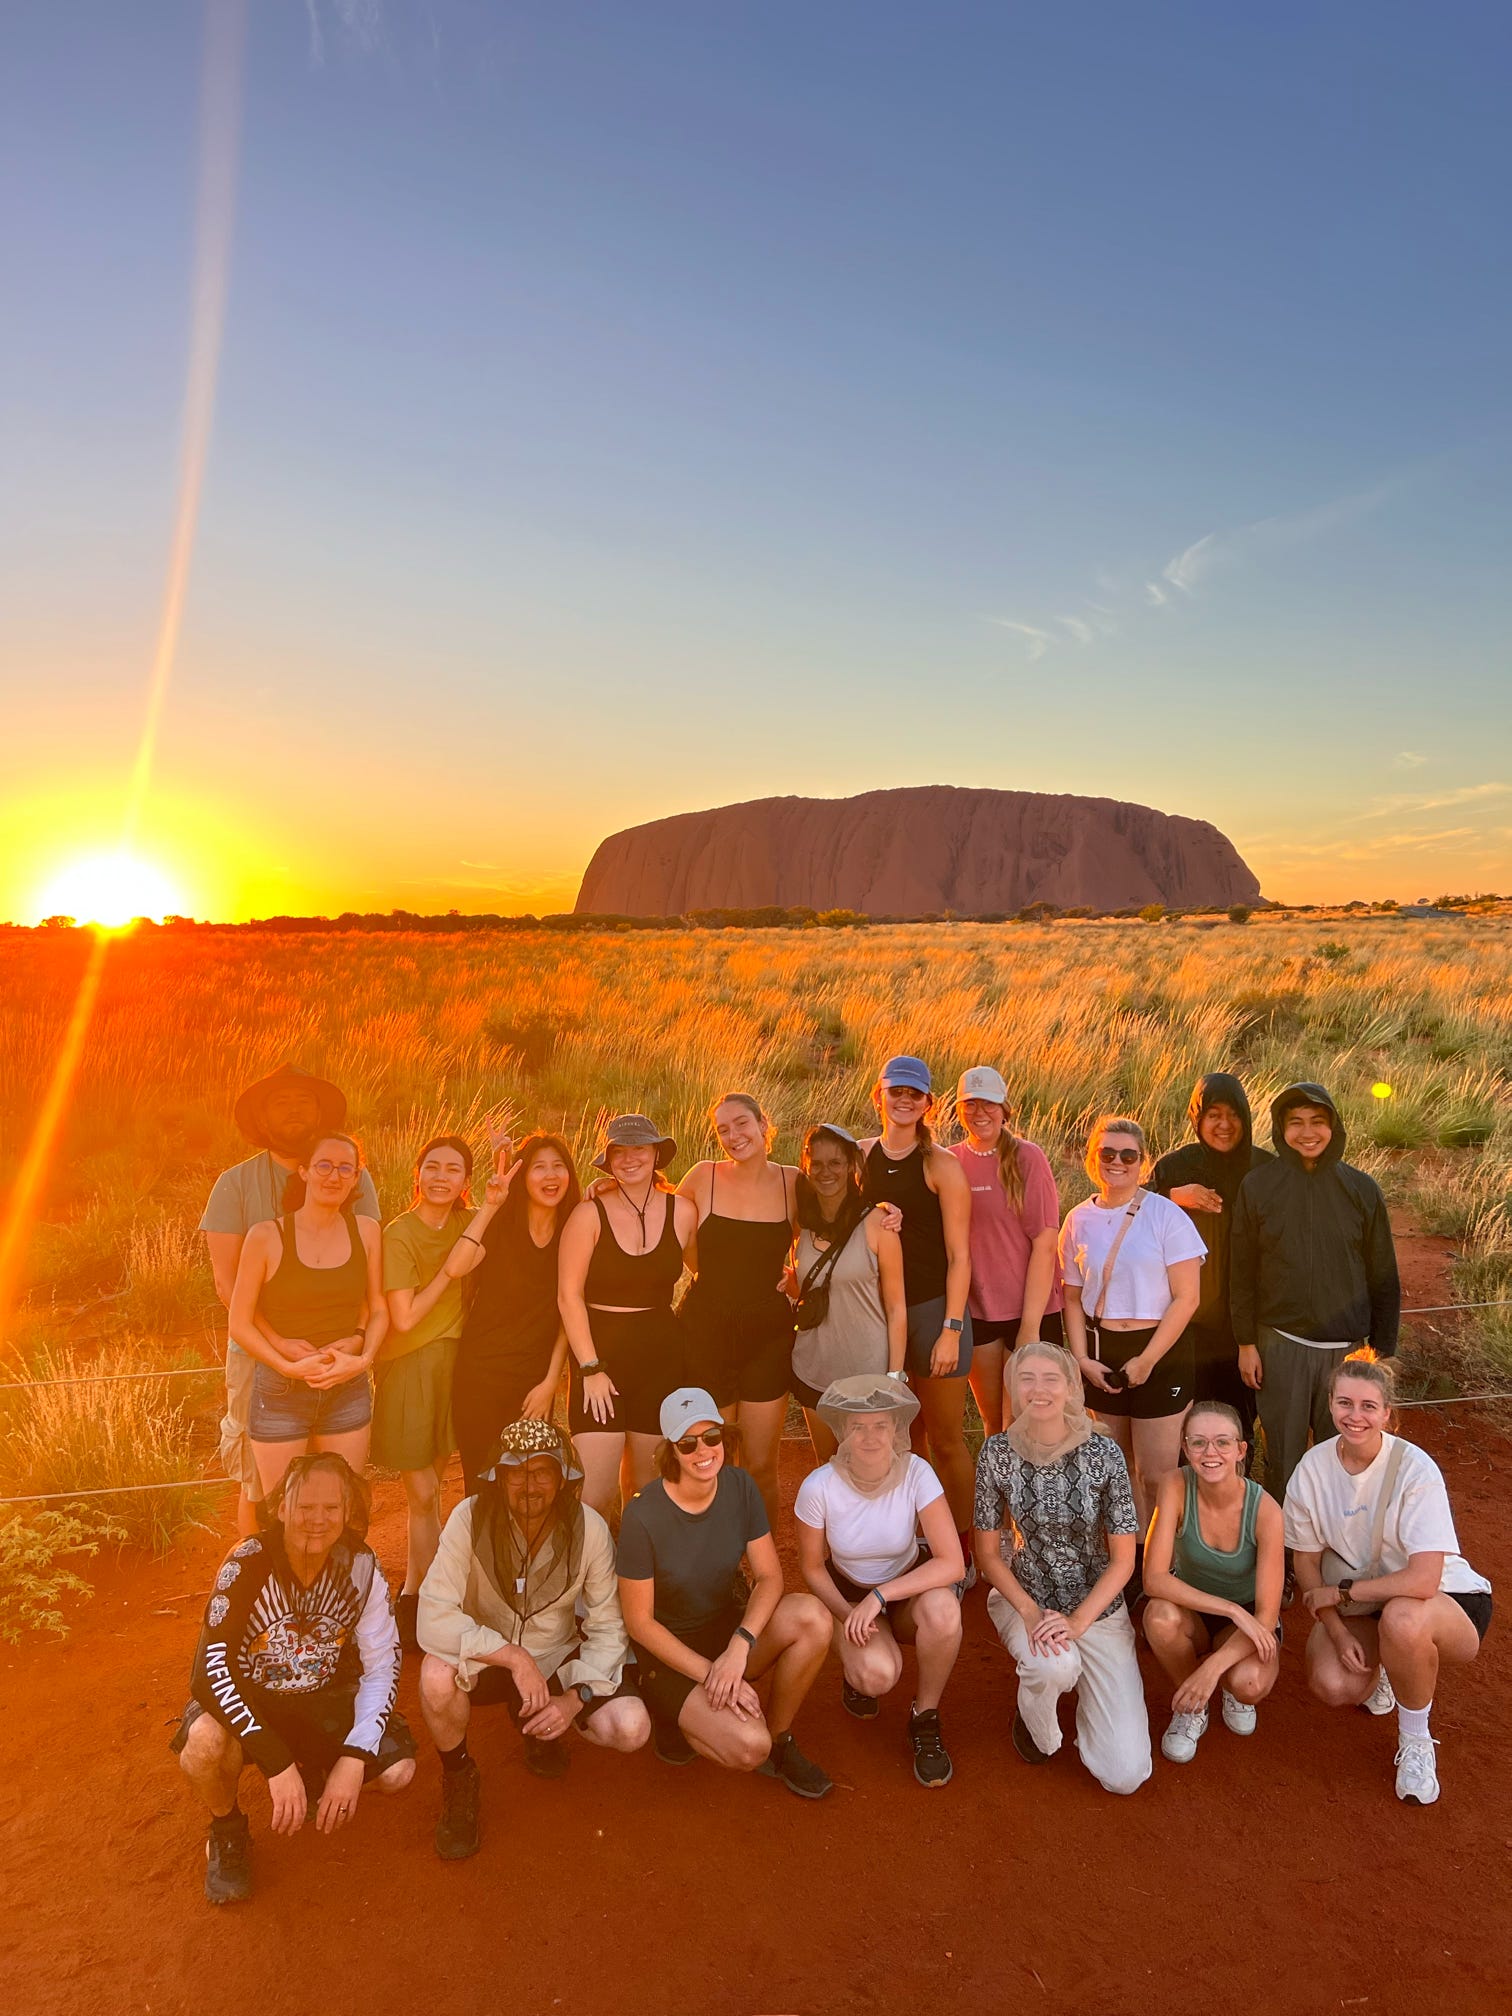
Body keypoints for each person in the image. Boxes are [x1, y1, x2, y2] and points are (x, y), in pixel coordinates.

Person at [170, 1453, 415, 1904]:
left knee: (398, 1771)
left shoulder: (362, 1567)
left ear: (347, 1512)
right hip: (254, 1701)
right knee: (204, 1744)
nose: (317, 1520)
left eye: (331, 1508)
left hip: (324, 1702)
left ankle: (321, 1776)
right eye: (305, 1506)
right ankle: (228, 1828)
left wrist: (355, 1756)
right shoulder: (246, 1564)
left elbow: (383, 1666)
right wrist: (276, 1762)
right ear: (281, 1506)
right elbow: (210, 1672)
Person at [417, 1417, 650, 1859]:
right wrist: (512, 1656)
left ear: (563, 1478)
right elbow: (432, 1614)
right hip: (487, 1656)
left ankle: (539, 1724)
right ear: (499, 1477)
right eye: (518, 1471)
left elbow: (609, 1627)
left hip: (556, 1657)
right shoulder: (468, 1518)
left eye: (543, 1470)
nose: (531, 1483)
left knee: (631, 1727)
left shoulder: (590, 1530)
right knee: (435, 1677)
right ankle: (460, 1776)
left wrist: (574, 1698)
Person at [1286, 1356, 1492, 1807]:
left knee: (1403, 1618)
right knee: (1333, 1683)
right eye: (1344, 1403)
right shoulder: (1312, 1468)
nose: (1354, 1416)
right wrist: (1337, 1631)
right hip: (1369, 1603)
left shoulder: (1416, 1469)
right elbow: (1305, 1562)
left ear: (1387, 1415)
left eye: (1367, 1406)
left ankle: (1416, 1742)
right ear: (1331, 1405)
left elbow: (1422, 1580)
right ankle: (1388, 1670)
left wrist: (1343, 1594)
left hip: (1447, 1598)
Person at [617, 1387, 833, 1797]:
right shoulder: (642, 1515)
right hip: (670, 1654)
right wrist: (712, 1673)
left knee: (813, 1617)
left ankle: (780, 1739)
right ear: (670, 1451)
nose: (703, 1451)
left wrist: (739, 1646)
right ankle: (673, 1714)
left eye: (711, 1437)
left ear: (724, 1436)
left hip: (727, 1632)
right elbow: (639, 1623)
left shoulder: (739, 1486)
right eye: (688, 1442)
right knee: (749, 1747)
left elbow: (770, 1577)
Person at [199, 1064, 380, 1536]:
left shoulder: (357, 1182)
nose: (294, 1110)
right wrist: (281, 1347)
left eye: (304, 1101)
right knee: (259, 1483)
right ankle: (258, 1585)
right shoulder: (234, 1184)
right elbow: (228, 1286)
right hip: (260, 1356)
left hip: (338, 1354)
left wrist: (356, 1343)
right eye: (281, 1101)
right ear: (262, 1117)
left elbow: (365, 1275)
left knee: (340, 1485)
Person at [973, 1341, 1151, 1796]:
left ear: (1072, 1387)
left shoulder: (1105, 1454)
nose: (1038, 1389)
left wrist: (1076, 1621)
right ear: (1012, 1387)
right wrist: (1033, 1614)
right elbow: (989, 1556)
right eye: (1025, 1379)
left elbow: (1124, 1558)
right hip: (1027, 1598)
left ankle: (1066, 1674)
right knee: (1053, 1668)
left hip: (1099, 1610)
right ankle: (1036, 1720)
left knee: (1125, 1775)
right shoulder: (995, 1453)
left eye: (1051, 1378)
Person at [1231, 1082, 1401, 1506]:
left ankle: (1335, 1550)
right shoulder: (1258, 1186)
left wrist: (1381, 1351)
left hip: (1348, 1352)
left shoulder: (1361, 1189)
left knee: (1347, 1454)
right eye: (1296, 1123)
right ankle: (1282, 1552)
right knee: (1283, 1458)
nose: (1308, 1133)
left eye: (1317, 1122)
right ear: (1280, 1129)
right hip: (1279, 1346)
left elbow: (1383, 1274)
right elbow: (1242, 1272)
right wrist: (1246, 1342)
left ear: (1334, 1127)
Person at [794, 1375, 963, 1787]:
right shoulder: (819, 1486)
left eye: (880, 1425)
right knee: (877, 1675)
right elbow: (813, 1567)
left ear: (897, 1429)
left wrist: (881, 1597)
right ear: (842, 1433)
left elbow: (952, 1563)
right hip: (848, 1596)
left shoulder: (916, 1473)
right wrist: (849, 1612)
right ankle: (856, 1673)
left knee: (944, 1610)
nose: (870, 1437)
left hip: (903, 1590)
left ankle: (925, 1717)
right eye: (858, 1427)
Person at [1060, 1115, 1205, 1528]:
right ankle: (1132, 1563)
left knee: (1157, 1473)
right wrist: (1081, 1360)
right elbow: (1071, 1297)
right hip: (1102, 1353)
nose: (1118, 1161)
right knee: (1116, 1471)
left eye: (1129, 1154)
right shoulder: (1077, 1220)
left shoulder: (1167, 1215)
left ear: (1143, 1161)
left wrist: (1148, 1360)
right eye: (1108, 1153)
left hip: (1161, 1350)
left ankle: (1164, 1565)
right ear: (1093, 1159)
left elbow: (1187, 1297)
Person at [228, 1132, 388, 1502]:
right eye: (324, 1166)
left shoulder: (366, 1232)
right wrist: (285, 1365)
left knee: (343, 1505)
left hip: (346, 1385)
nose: (334, 1176)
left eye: (345, 1168)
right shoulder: (266, 1236)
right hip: (280, 1391)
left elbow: (378, 1307)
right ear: (303, 1172)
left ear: (355, 1177)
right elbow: (240, 1321)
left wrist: (362, 1359)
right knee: (282, 1509)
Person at [861, 1055, 975, 1566]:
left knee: (947, 1437)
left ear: (929, 1103)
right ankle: (919, 1539)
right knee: (903, 1438)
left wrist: (951, 1329)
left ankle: (969, 1550)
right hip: (879, 1316)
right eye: (895, 1091)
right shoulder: (859, 1156)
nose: (904, 1100)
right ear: (879, 1095)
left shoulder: (940, 1165)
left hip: (932, 1313)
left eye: (915, 1094)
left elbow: (959, 1256)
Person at [558, 1115, 698, 1516]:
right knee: (593, 1494)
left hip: (659, 1355)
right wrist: (590, 1367)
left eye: (640, 1148)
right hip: (599, 1354)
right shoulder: (589, 1214)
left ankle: (636, 1574)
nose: (630, 1158)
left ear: (656, 1154)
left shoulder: (683, 1212)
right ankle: (587, 1575)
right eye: (620, 1151)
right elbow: (568, 1296)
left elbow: (706, 1273)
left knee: (647, 1487)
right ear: (609, 1160)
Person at [674, 1093, 799, 1531]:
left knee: (762, 1464)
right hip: (707, 1330)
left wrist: (798, 1281)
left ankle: (762, 1563)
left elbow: (830, 1238)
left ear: (765, 1124)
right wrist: (607, 1185)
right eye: (722, 1129)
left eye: (741, 1123)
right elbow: (658, 1215)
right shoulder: (702, 1176)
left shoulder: (791, 1182)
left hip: (767, 1335)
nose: (733, 1136)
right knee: (716, 1459)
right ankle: (721, 1565)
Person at [1141, 1401, 1285, 1763]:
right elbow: (1154, 1579)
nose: (1210, 1453)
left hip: (1250, 1619)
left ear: (1240, 1450)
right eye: (1199, 1442)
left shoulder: (1266, 1510)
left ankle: (1214, 1680)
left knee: (1249, 1684)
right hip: (1200, 1611)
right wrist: (1231, 1609)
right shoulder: (1175, 1485)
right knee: (1158, 1617)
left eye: (1223, 1442)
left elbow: (1266, 1616)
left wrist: (1214, 1666)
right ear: (1185, 1448)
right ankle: (1193, 1706)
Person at [377, 1135, 473, 1650]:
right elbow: (406, 1316)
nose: (441, 1176)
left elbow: (510, 1215)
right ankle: (428, 1599)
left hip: (452, 1366)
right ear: (418, 1176)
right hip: (410, 1364)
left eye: (453, 1169)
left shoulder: (466, 1222)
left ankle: (421, 1591)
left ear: (465, 1182)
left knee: (433, 1488)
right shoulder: (399, 1234)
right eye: (431, 1167)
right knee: (420, 1493)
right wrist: (450, 1273)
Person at [448, 1129, 581, 1490]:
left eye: (559, 1166)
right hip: (479, 1373)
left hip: (533, 1381)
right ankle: (483, 1548)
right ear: (523, 1176)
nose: (551, 1176)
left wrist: (550, 1381)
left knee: (528, 1483)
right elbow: (456, 1267)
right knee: (482, 1479)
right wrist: (491, 1205)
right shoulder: (502, 1223)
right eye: (539, 1167)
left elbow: (569, 1313)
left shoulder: (574, 1230)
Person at [1151, 1073, 1272, 1450]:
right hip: (1188, 1324)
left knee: (1238, 1427)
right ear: (1197, 1117)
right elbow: (1132, 1211)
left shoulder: (1266, 1169)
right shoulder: (1174, 1167)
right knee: (1188, 1426)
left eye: (1233, 1114)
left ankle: (1238, 1503)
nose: (1223, 1124)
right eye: (1213, 1114)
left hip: (1248, 1326)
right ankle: (1190, 1507)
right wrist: (1172, 1196)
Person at [948, 1065, 1064, 1435]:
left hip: (1030, 1312)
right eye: (971, 1104)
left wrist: (1029, 1329)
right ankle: (996, 1494)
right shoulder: (948, 1161)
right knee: (993, 1423)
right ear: (958, 1109)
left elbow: (1045, 1245)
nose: (980, 1113)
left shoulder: (1028, 1158)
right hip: (979, 1311)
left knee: (1025, 1423)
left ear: (1005, 1108)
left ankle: (1033, 1494)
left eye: (989, 1104)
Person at [790, 1123, 907, 1463]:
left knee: (873, 1470)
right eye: (818, 1164)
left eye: (836, 1163)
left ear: (852, 1165)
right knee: (828, 1469)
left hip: (867, 1373)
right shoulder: (802, 1224)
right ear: (806, 1166)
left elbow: (897, 1307)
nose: (826, 1172)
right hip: (812, 1367)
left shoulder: (879, 1223)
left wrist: (895, 1377)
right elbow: (806, 1284)